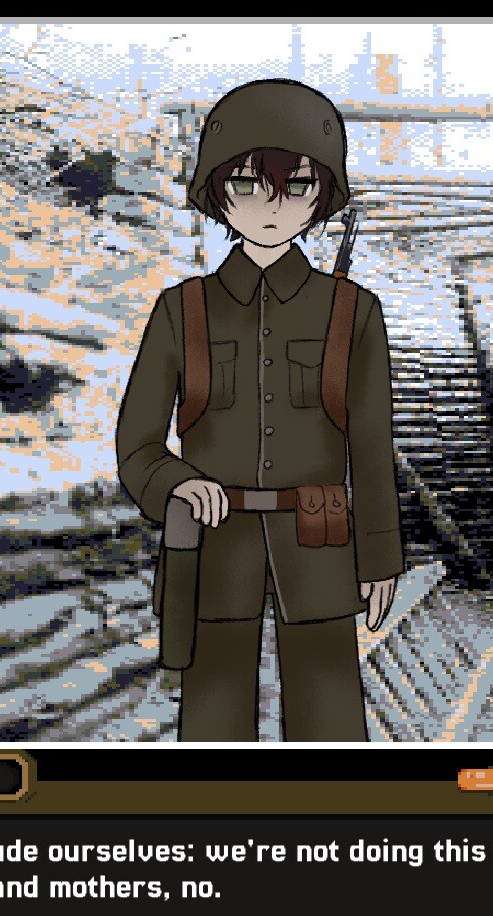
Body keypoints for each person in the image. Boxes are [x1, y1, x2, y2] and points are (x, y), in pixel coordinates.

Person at [114, 79, 403, 741]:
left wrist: (380, 557)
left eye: (296, 187)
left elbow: (370, 446)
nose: (271, 206)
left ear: (322, 196)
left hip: (320, 546)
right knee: (212, 727)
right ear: (217, 192)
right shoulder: (180, 310)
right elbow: (137, 445)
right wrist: (177, 482)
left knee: (331, 725)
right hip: (214, 550)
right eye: (247, 185)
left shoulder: (355, 312)